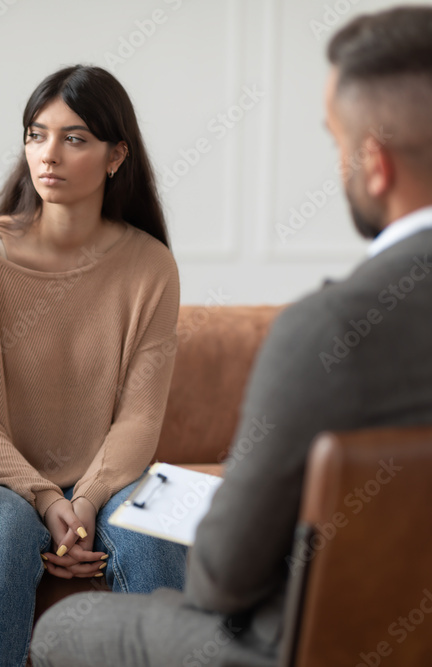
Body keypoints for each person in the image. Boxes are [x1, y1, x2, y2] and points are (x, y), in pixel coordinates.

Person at [31, 6, 432, 666]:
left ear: (378, 164)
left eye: (338, 144)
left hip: (314, 646)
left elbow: (223, 580)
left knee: (64, 629)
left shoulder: (326, 331)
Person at [0, 65, 187, 666]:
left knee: (153, 541)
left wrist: (86, 500)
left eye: (74, 139)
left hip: (106, 478)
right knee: (6, 532)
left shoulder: (150, 267)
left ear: (117, 155)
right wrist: (44, 499)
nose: (49, 155)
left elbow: (140, 420)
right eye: (36, 135)